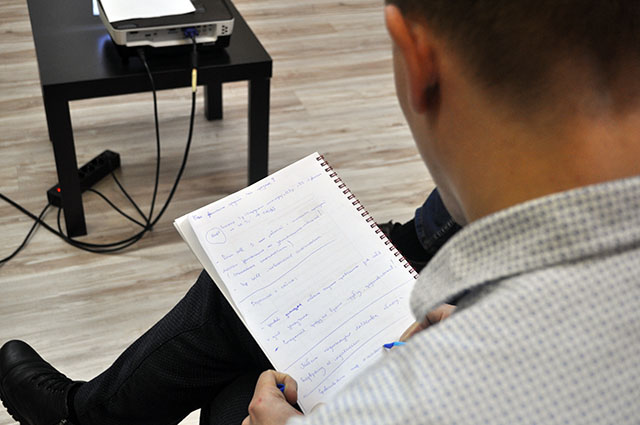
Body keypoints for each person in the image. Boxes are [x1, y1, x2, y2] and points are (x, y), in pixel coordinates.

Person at [3, 0, 640, 423]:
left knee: (238, 396)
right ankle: (86, 414)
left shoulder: (418, 400)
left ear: (418, 60)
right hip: (439, 272)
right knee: (249, 289)